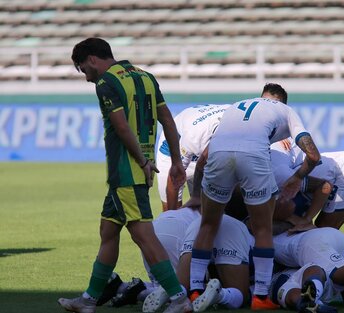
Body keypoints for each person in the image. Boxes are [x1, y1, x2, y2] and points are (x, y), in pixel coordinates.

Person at [58, 37, 191, 313]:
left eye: (83, 69)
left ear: (92, 59)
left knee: (143, 236)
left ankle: (179, 299)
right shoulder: (146, 77)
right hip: (133, 174)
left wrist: (141, 160)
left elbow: (120, 127)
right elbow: (167, 120)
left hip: (127, 171)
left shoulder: (107, 83)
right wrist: (176, 161)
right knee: (108, 232)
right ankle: (89, 300)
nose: (86, 77)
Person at [187, 83, 321, 309]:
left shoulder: (237, 105)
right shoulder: (287, 112)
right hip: (253, 157)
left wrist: (198, 195)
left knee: (208, 224)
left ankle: (194, 291)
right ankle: (260, 296)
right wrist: (298, 177)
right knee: (262, 228)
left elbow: (203, 159)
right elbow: (313, 155)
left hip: (218, 154)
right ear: (282, 102)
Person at [143, 213, 253, 312]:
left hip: (201, 223)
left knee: (182, 286)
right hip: (231, 229)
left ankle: (170, 289)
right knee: (242, 294)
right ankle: (220, 295)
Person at [271, 144, 344, 229]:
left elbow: (324, 186)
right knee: (317, 231)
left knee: (324, 230)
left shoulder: (280, 175)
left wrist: (306, 219)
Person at [156, 104, 229, 210]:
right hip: (174, 149)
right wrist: (172, 216)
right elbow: (174, 178)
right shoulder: (193, 136)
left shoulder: (240, 123)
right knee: (170, 209)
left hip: (200, 143)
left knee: (210, 211)